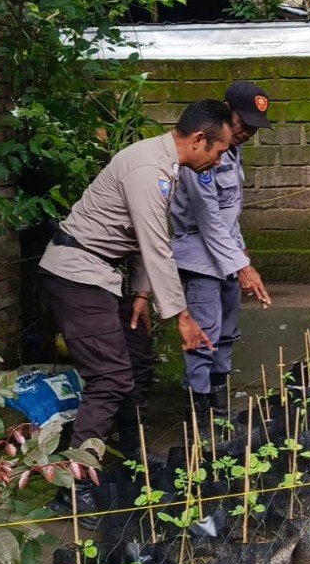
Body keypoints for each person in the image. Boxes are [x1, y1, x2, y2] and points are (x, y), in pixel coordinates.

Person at [40, 100, 232, 525]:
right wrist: (180, 316)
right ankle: (75, 488)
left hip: (102, 275)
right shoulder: (150, 171)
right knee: (109, 376)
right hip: (77, 275)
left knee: (137, 358)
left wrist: (142, 297)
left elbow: (148, 236)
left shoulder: (164, 166)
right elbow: (155, 244)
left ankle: (131, 457)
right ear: (199, 140)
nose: (220, 159)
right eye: (219, 151)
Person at [171, 81, 272, 417]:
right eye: (243, 123)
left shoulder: (233, 152)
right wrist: (242, 267)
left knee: (227, 330)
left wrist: (241, 255)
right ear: (226, 111)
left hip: (227, 256)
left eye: (255, 129)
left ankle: (217, 399)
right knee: (205, 331)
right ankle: (197, 408)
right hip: (200, 260)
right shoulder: (201, 155)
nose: (247, 133)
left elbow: (231, 216)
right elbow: (209, 218)